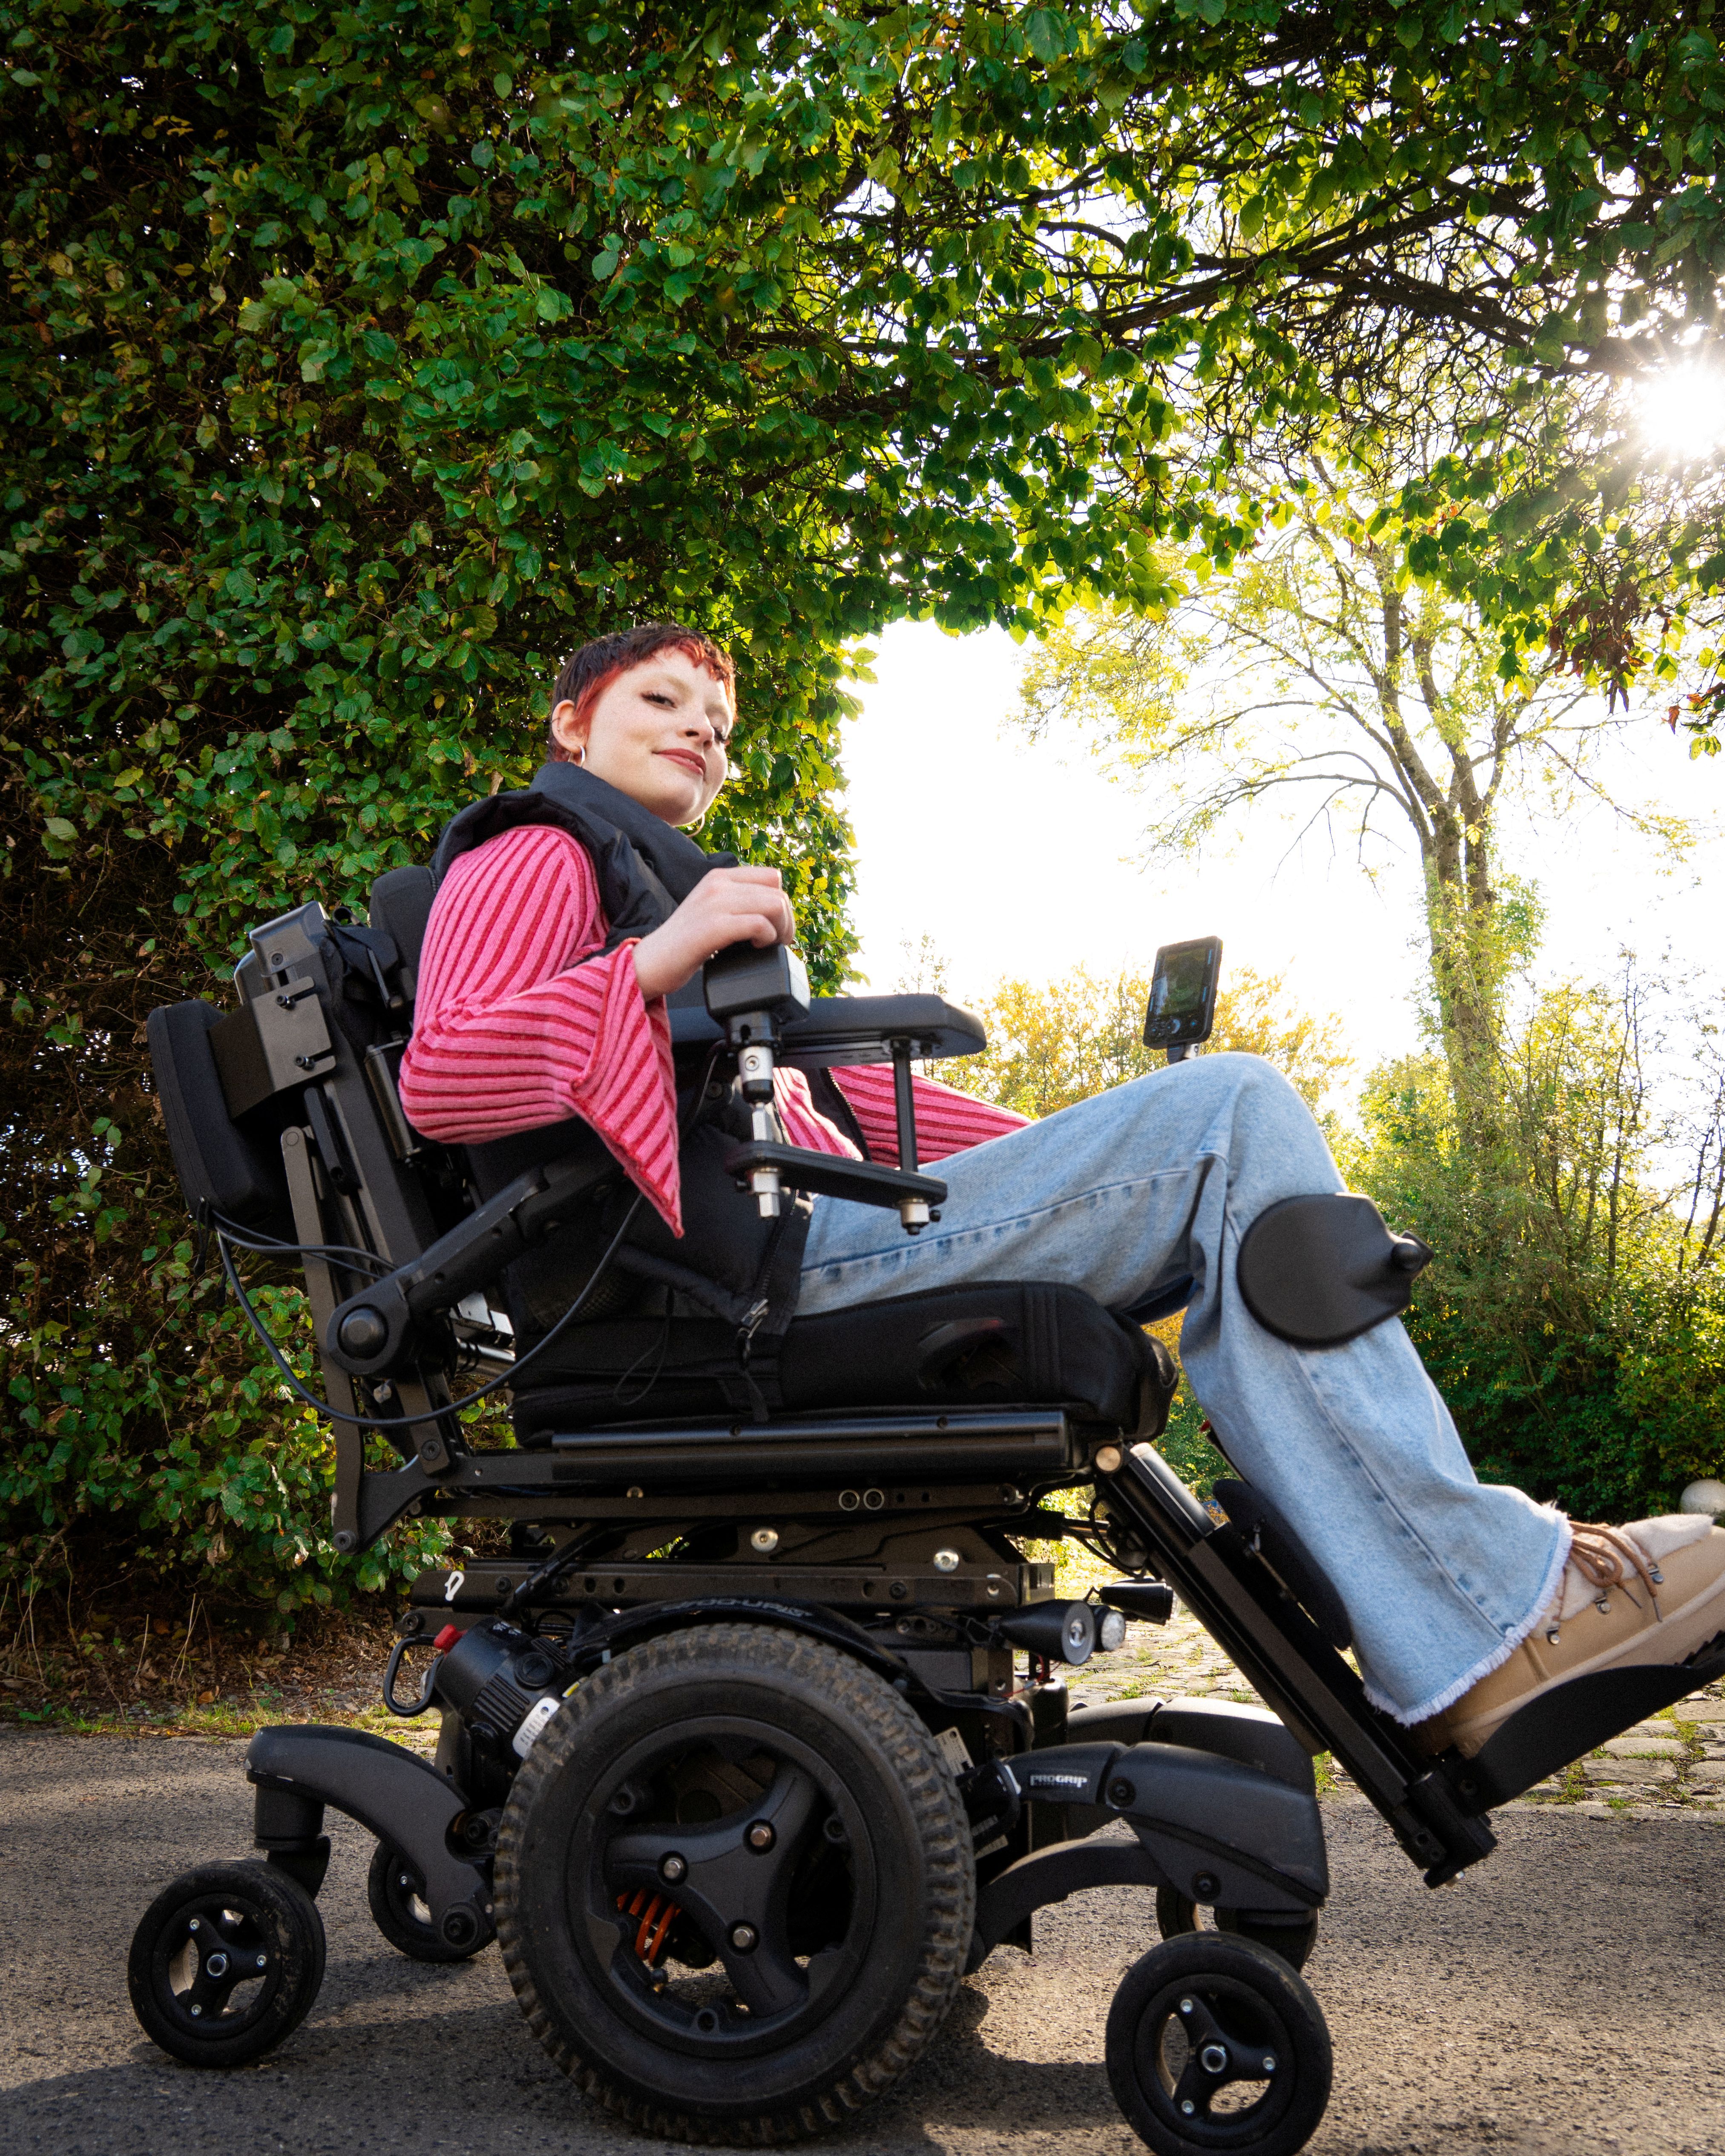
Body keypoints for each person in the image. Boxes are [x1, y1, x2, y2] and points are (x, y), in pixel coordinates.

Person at [398, 623, 1725, 1762]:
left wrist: (1105, 1152)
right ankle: (1480, 1612)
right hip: (728, 1276)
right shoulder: (539, 847)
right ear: (571, 721)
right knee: (1235, 1108)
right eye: (661, 702)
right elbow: (445, 1074)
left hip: (789, 1235)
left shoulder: (655, 876)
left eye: (719, 721)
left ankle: (1446, 1622)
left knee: (1221, 1137)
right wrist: (662, 957)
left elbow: (855, 1106)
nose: (699, 731)